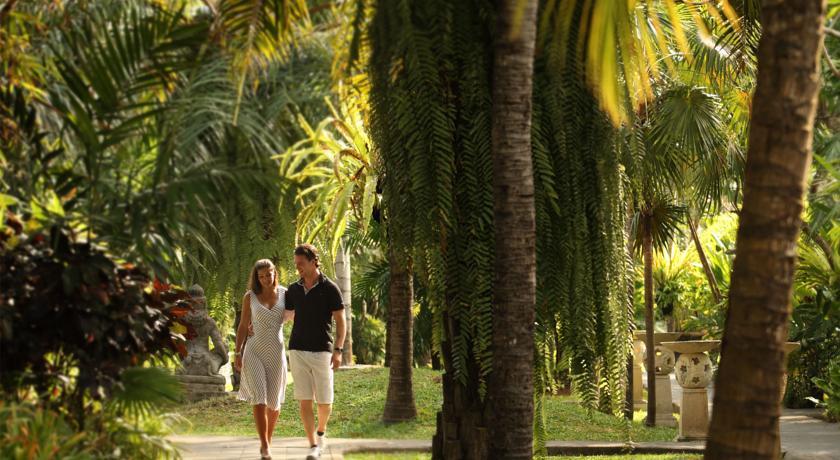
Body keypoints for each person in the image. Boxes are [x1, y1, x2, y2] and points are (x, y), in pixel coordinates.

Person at [285, 244, 346, 460]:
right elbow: (286, 315)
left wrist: (338, 350)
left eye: (301, 263)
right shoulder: (293, 289)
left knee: (325, 402)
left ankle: (321, 431)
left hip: (323, 351)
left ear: (313, 261)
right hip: (297, 350)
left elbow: (341, 321)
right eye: (296, 264)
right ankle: (313, 444)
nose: (298, 267)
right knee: (304, 400)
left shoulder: (330, 288)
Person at [234, 259, 292, 460]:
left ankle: (268, 439)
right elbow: (243, 325)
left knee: (274, 403)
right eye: (261, 276)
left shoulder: (286, 294)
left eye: (269, 274)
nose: (266, 279)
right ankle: (265, 446)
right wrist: (237, 352)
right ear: (256, 278)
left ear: (275, 272)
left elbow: (297, 315)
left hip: (276, 351)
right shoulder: (250, 297)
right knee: (259, 397)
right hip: (254, 351)